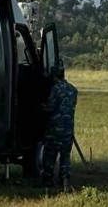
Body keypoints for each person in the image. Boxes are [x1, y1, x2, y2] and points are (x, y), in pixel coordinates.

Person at [40, 59, 78, 188]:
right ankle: (64, 179)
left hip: (55, 129)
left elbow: (49, 107)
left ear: (54, 76)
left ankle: (47, 180)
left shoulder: (56, 89)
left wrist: (40, 107)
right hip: (68, 129)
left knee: (50, 156)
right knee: (65, 156)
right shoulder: (73, 90)